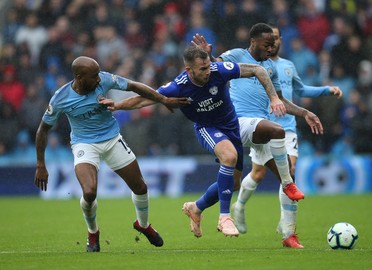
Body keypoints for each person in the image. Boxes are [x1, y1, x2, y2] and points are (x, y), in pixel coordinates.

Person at [100, 46, 288, 237]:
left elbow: (258, 70)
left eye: (208, 66)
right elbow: (144, 100)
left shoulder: (218, 70)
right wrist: (117, 105)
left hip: (232, 128)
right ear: (189, 70)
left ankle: (196, 208)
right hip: (207, 128)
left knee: (234, 183)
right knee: (229, 156)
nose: (208, 71)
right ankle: (224, 218)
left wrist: (273, 98)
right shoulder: (178, 86)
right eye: (203, 69)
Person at [34, 56, 190, 252]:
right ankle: (93, 232)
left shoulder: (104, 79)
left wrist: (163, 99)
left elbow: (134, 86)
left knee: (140, 187)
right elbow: (43, 129)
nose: (99, 79)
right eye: (94, 76)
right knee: (89, 192)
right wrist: (41, 164)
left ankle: (143, 225)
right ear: (80, 77)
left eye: (99, 74)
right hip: (84, 144)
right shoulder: (60, 98)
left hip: (112, 139)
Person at [191, 23, 324, 248]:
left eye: (273, 44)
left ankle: (289, 235)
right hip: (238, 122)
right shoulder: (236, 54)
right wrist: (209, 55)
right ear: (254, 42)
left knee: (238, 181)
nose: (271, 48)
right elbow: (215, 68)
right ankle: (287, 183)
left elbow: (280, 99)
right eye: (267, 44)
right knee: (277, 132)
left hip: (258, 127)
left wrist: (305, 113)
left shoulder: (270, 68)